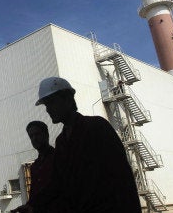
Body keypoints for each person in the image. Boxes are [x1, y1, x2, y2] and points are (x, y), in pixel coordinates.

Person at [13, 77, 141, 212]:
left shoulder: (96, 127)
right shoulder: (61, 142)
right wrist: (32, 205)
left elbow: (121, 178)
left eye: (51, 103)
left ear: (68, 99)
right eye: (46, 105)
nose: (48, 110)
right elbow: (58, 184)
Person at [25, 121, 55, 202]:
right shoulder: (34, 166)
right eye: (31, 136)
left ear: (46, 135)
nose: (34, 138)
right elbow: (33, 193)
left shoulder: (58, 157)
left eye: (37, 134)